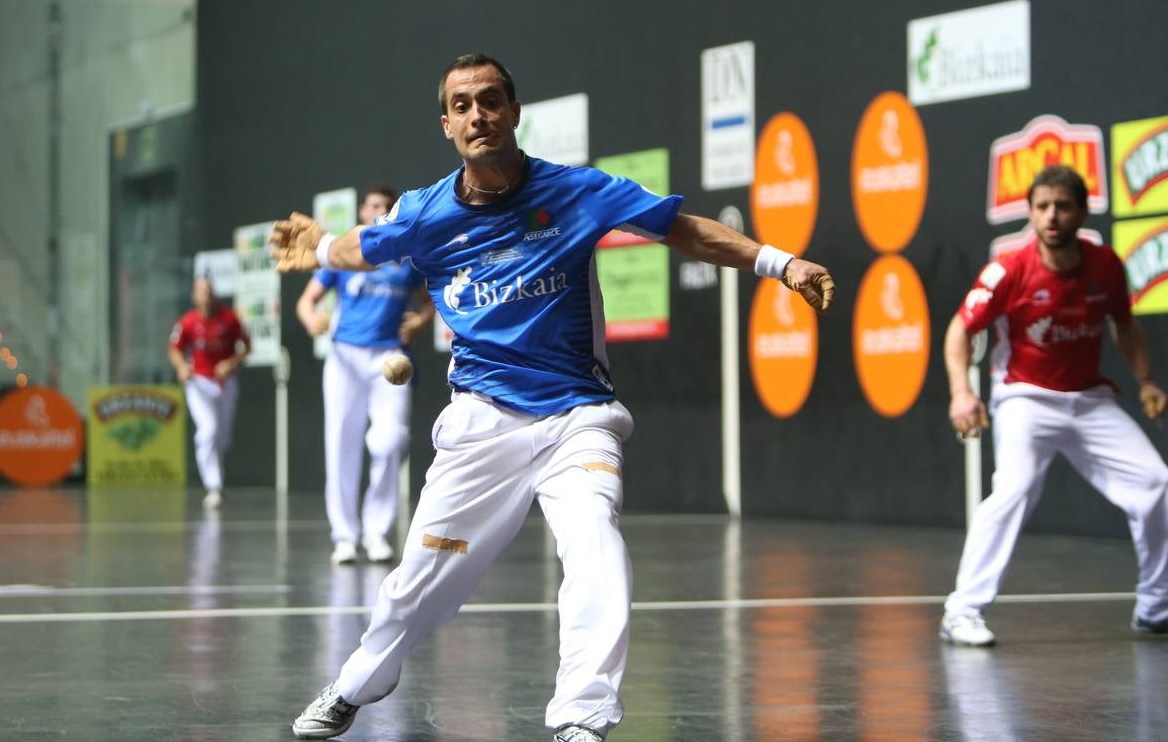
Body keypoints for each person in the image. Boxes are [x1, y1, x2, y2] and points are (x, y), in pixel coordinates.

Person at [271, 53, 836, 741]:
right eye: (463, 104)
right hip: (482, 422)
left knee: (595, 544)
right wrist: (324, 246)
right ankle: (360, 680)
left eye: (491, 100)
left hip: (578, 417)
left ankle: (582, 717)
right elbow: (371, 245)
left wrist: (781, 262)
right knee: (418, 578)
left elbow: (679, 229)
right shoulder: (426, 213)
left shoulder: (577, 192)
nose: (478, 114)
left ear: (514, 111)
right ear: (446, 122)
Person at [940, 164, 1168, 646]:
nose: (1052, 216)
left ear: (1082, 212)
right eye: (1041, 207)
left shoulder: (1105, 265)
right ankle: (961, 611)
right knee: (1013, 490)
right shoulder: (1009, 269)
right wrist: (960, 392)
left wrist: (1146, 380)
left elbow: (1125, 324)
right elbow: (960, 329)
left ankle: (1160, 606)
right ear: (1031, 213)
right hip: (1024, 397)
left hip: (1088, 399)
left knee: (1155, 482)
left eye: (1063, 206)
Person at [295, 185, 436, 566]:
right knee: (341, 444)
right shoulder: (344, 253)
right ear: (362, 210)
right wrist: (313, 321)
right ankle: (344, 536)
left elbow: (430, 304)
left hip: (390, 360)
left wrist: (418, 324)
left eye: (387, 207)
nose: (380, 211)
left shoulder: (407, 259)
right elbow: (306, 302)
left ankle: (376, 532)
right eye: (374, 205)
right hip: (344, 358)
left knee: (389, 441)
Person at [168, 276, 250, 509]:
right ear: (194, 296)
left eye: (209, 289)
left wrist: (230, 363)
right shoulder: (187, 322)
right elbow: (174, 349)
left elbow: (246, 346)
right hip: (198, 383)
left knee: (222, 437)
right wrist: (182, 366)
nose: (206, 294)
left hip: (226, 384)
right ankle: (213, 486)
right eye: (201, 290)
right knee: (208, 431)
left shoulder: (230, 318)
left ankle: (216, 472)